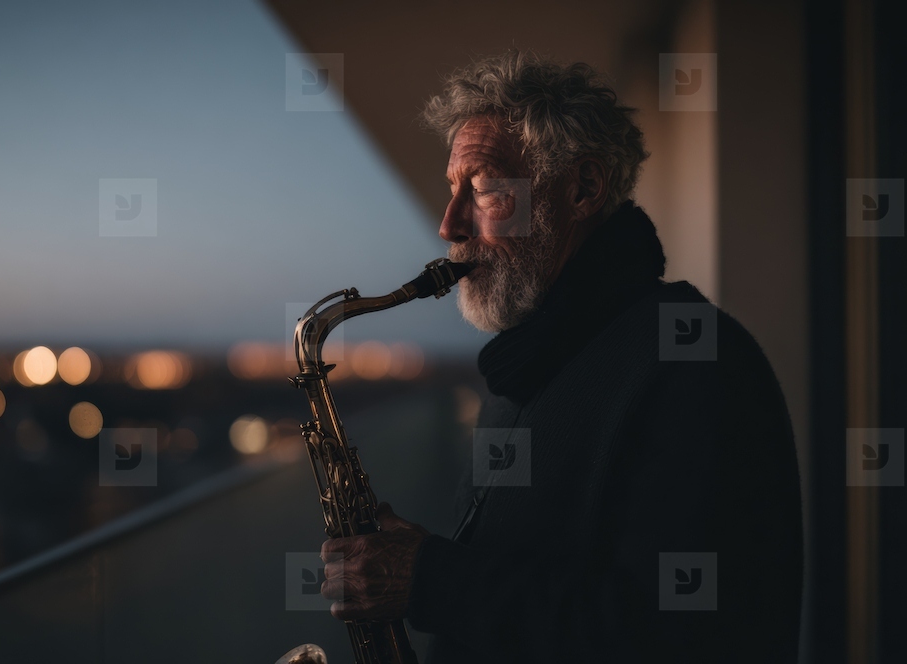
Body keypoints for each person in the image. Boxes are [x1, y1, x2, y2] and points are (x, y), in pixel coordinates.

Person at [319, 50, 803, 663]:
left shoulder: (698, 364)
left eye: (483, 188)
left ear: (583, 189)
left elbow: (690, 636)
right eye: (451, 190)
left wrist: (432, 580)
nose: (449, 225)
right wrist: (426, 563)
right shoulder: (521, 368)